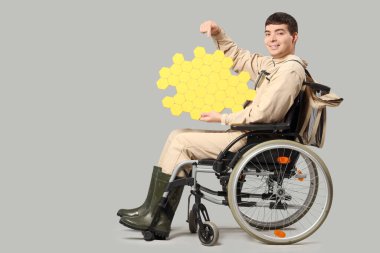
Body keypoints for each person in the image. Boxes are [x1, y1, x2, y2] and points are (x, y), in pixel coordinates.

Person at [117, 12, 307, 239]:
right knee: (177, 134)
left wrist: (222, 118)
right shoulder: (274, 64)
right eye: (267, 33)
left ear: (294, 37)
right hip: (251, 136)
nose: (272, 39)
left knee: (180, 141)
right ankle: (153, 212)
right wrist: (218, 33)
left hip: (254, 139)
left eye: (280, 33)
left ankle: (156, 215)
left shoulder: (289, 70)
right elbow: (239, 57)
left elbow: (263, 114)